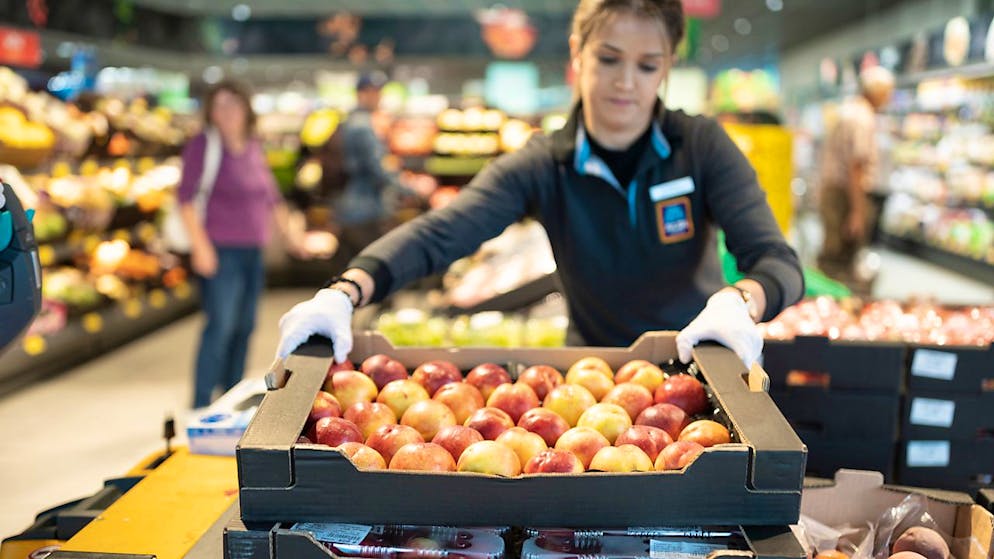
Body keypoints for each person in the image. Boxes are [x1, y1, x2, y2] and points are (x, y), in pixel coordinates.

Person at [277, 0, 804, 367]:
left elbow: (777, 261)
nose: (626, 82)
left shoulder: (701, 146)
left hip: (699, 368)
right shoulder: (544, 164)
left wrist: (742, 301)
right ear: (578, 53)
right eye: (608, 59)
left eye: (647, 66)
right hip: (591, 378)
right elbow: (442, 234)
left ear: (666, 67)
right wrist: (345, 292)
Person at [180, 80, 305, 408]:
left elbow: (271, 197)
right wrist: (200, 246)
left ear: (246, 109)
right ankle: (200, 406)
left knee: (245, 326)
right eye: (219, 105)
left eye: (233, 104)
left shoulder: (252, 146)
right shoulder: (203, 145)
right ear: (210, 111)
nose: (226, 112)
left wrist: (293, 237)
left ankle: (230, 398)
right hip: (220, 251)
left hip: (253, 251)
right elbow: (185, 199)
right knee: (220, 326)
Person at [816, 66, 894, 291]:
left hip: (836, 191)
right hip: (846, 194)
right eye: (887, 91)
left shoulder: (847, 111)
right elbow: (855, 167)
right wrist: (858, 212)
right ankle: (836, 307)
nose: (889, 97)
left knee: (833, 253)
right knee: (840, 257)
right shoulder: (862, 118)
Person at [329, 71, 407, 263]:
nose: (378, 97)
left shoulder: (351, 121)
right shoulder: (362, 126)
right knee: (375, 268)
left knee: (350, 270)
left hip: (349, 205)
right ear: (361, 94)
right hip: (363, 208)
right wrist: (409, 189)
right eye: (372, 92)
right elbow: (376, 168)